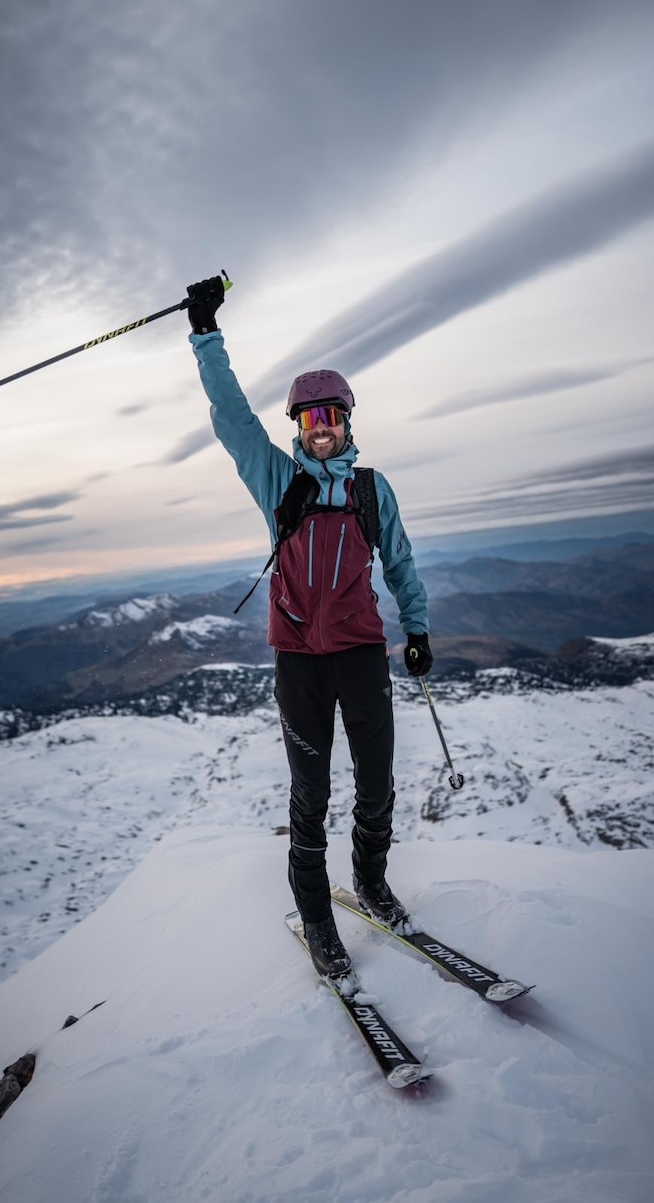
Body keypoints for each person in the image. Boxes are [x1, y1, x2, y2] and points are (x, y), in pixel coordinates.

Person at [185, 276, 432, 981]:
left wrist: (414, 628)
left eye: (331, 414)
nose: (319, 425)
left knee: (377, 781)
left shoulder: (369, 488)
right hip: (297, 659)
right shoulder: (277, 480)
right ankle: (319, 915)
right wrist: (206, 333)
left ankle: (373, 881)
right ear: (297, 427)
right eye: (307, 417)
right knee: (311, 793)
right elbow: (232, 415)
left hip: (358, 652)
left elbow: (402, 561)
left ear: (348, 422)